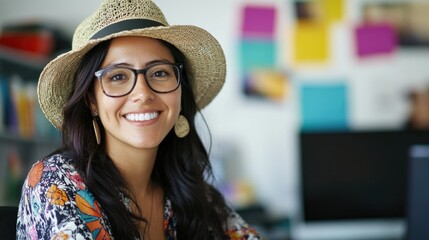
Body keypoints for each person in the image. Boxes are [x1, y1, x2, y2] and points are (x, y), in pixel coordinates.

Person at [16, 0, 262, 239]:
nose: (143, 94)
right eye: (117, 77)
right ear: (91, 100)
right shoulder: (55, 182)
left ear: (180, 90)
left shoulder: (195, 195)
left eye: (159, 73)